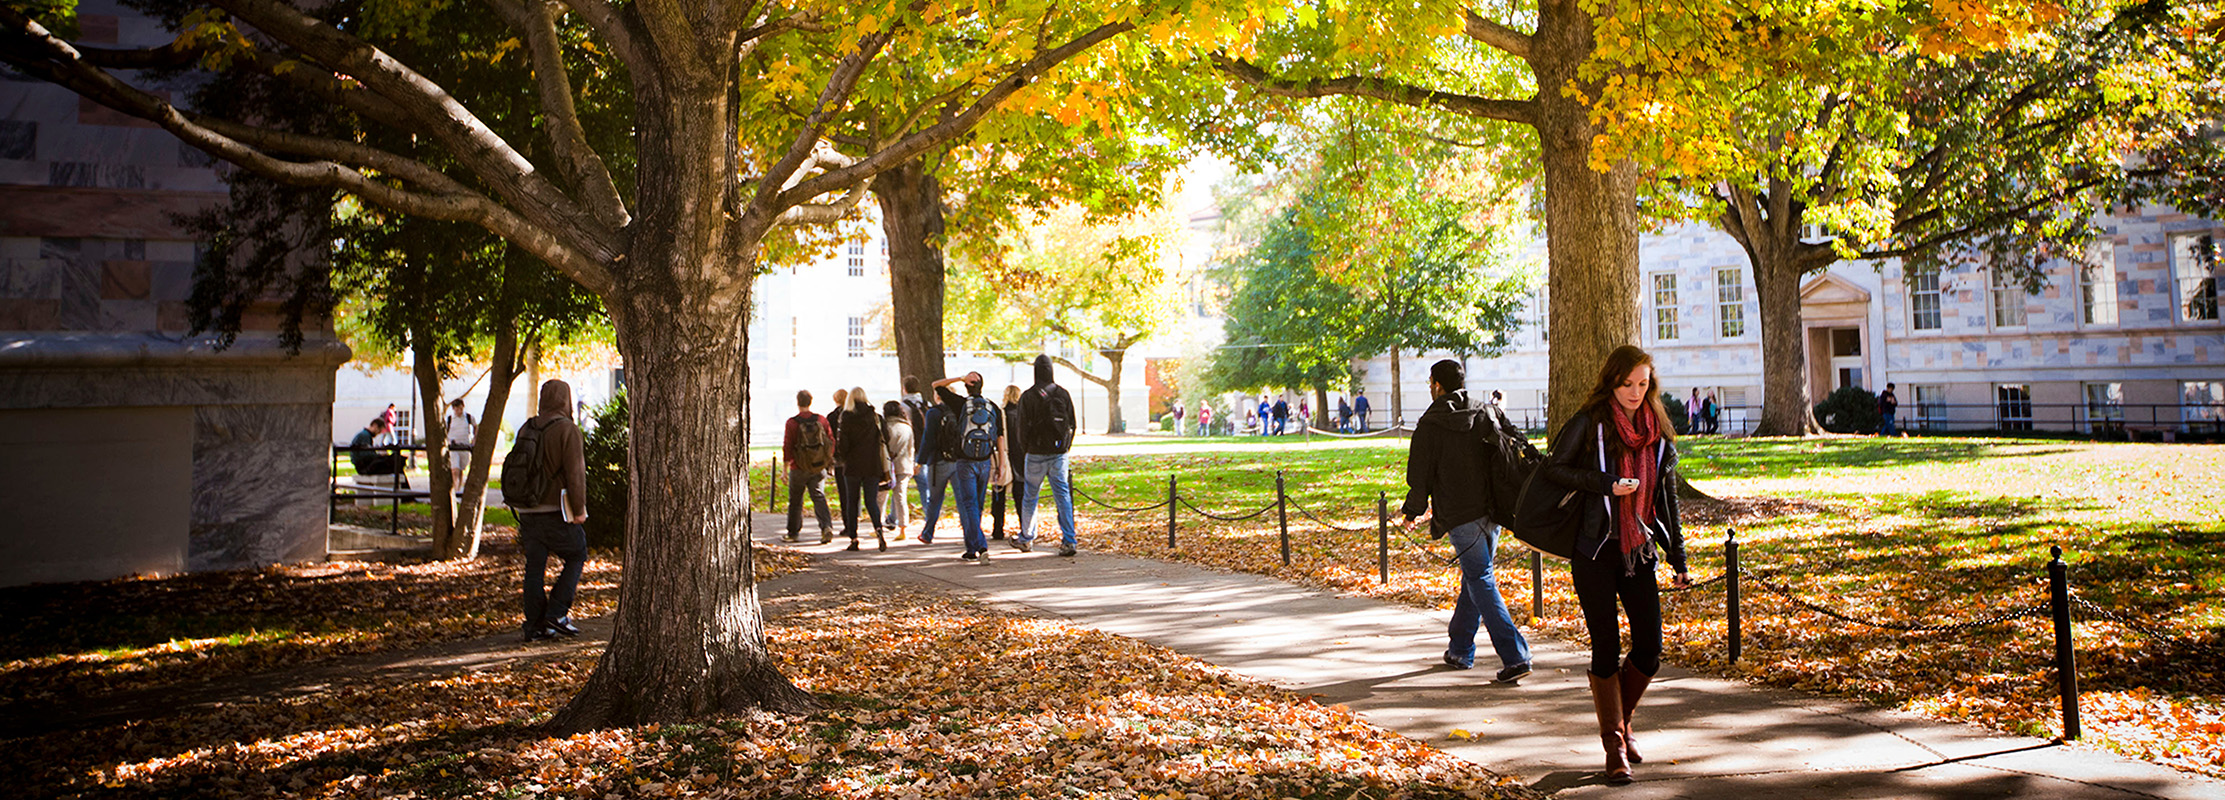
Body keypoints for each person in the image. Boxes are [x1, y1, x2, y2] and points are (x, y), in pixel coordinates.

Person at [1540, 345, 1691, 784]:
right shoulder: (1591, 423)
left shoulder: (1657, 428)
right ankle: (1614, 746)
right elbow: (1554, 469)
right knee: (1605, 646)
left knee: (1649, 649)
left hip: (1639, 551)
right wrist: (1606, 485)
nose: (1635, 392)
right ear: (1612, 381)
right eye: (1627, 384)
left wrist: (1677, 556)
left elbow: (1667, 497)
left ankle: (1621, 724)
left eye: (1643, 384)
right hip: (1595, 550)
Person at [1401, 359, 1533, 684]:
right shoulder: (1487, 411)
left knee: (1480, 578)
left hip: (1460, 514)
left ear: (1437, 385)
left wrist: (1411, 512)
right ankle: (1460, 648)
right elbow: (1519, 442)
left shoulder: (1430, 424)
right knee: (1474, 578)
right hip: (1494, 510)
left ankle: (1516, 655)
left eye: (1430, 382)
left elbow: (1420, 476)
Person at [512, 379, 590, 643]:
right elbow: (575, 474)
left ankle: (534, 625)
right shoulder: (568, 430)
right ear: (566, 400)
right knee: (577, 553)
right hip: (554, 510)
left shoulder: (527, 426)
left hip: (527, 509)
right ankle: (556, 614)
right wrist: (579, 510)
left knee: (534, 566)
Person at [929, 372, 1002, 562]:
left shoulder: (960, 404)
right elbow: (999, 437)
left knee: (969, 504)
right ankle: (971, 548)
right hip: (985, 461)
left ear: (967, 386)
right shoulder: (992, 407)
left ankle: (981, 546)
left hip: (965, 461)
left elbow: (936, 384)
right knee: (977, 505)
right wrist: (1000, 463)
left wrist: (959, 378)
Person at [1015, 354, 1080, 556]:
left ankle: (1026, 537)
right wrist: (1065, 447)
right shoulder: (1062, 393)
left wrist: (1026, 448)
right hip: (1058, 452)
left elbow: (1021, 427)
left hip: (1035, 451)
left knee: (1030, 497)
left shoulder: (1028, 396)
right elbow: (1072, 424)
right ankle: (1069, 540)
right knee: (1063, 496)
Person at [835, 388, 890, 551]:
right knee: (871, 500)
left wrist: (843, 457)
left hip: (852, 465)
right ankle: (878, 529)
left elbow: (842, 444)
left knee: (852, 502)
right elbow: (886, 437)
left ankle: (854, 537)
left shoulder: (846, 417)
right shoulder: (875, 417)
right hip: (872, 464)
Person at [782, 390, 837, 544]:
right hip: (818, 467)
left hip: (798, 467)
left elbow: (788, 446)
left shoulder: (792, 423)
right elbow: (830, 441)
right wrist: (825, 460)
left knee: (796, 501)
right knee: (819, 496)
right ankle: (826, 526)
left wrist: (785, 469)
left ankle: (793, 533)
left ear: (798, 402)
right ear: (810, 401)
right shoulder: (821, 420)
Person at [989, 384, 1024, 541]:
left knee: (999, 495)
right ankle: (1025, 527)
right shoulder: (1023, 415)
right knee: (1020, 496)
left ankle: (998, 529)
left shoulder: (1000, 414)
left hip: (1004, 457)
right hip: (1021, 459)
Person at [894, 376, 930, 528]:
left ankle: (894, 518)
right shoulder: (926, 404)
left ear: (905, 388)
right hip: (924, 449)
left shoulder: (902, 407)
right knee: (924, 486)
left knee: (899, 486)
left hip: (908, 450)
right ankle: (929, 517)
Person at [881, 400, 916, 538]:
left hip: (887, 465)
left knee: (881, 496)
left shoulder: (886, 427)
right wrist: (912, 464)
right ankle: (903, 528)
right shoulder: (907, 426)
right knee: (900, 497)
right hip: (904, 464)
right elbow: (911, 447)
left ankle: (878, 525)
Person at [349, 417, 408, 486]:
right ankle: (406, 493)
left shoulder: (364, 435)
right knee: (395, 464)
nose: (378, 434)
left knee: (395, 463)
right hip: (365, 467)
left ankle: (406, 493)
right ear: (375, 426)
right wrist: (380, 455)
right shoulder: (365, 436)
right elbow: (366, 455)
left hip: (363, 466)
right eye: (379, 431)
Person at [827, 387, 849, 520]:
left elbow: (830, 439)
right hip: (853, 458)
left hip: (839, 459)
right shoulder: (853, 414)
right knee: (854, 492)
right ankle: (854, 518)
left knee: (843, 492)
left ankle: (847, 521)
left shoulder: (831, 417)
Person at [443, 398, 475, 490]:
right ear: (453, 409)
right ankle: (454, 489)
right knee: (455, 469)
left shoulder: (468, 417)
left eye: (460, 409)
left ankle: (458, 489)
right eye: (457, 409)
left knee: (460, 469)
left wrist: (474, 439)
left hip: (464, 446)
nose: (459, 411)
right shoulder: (450, 419)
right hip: (453, 446)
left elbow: (475, 426)